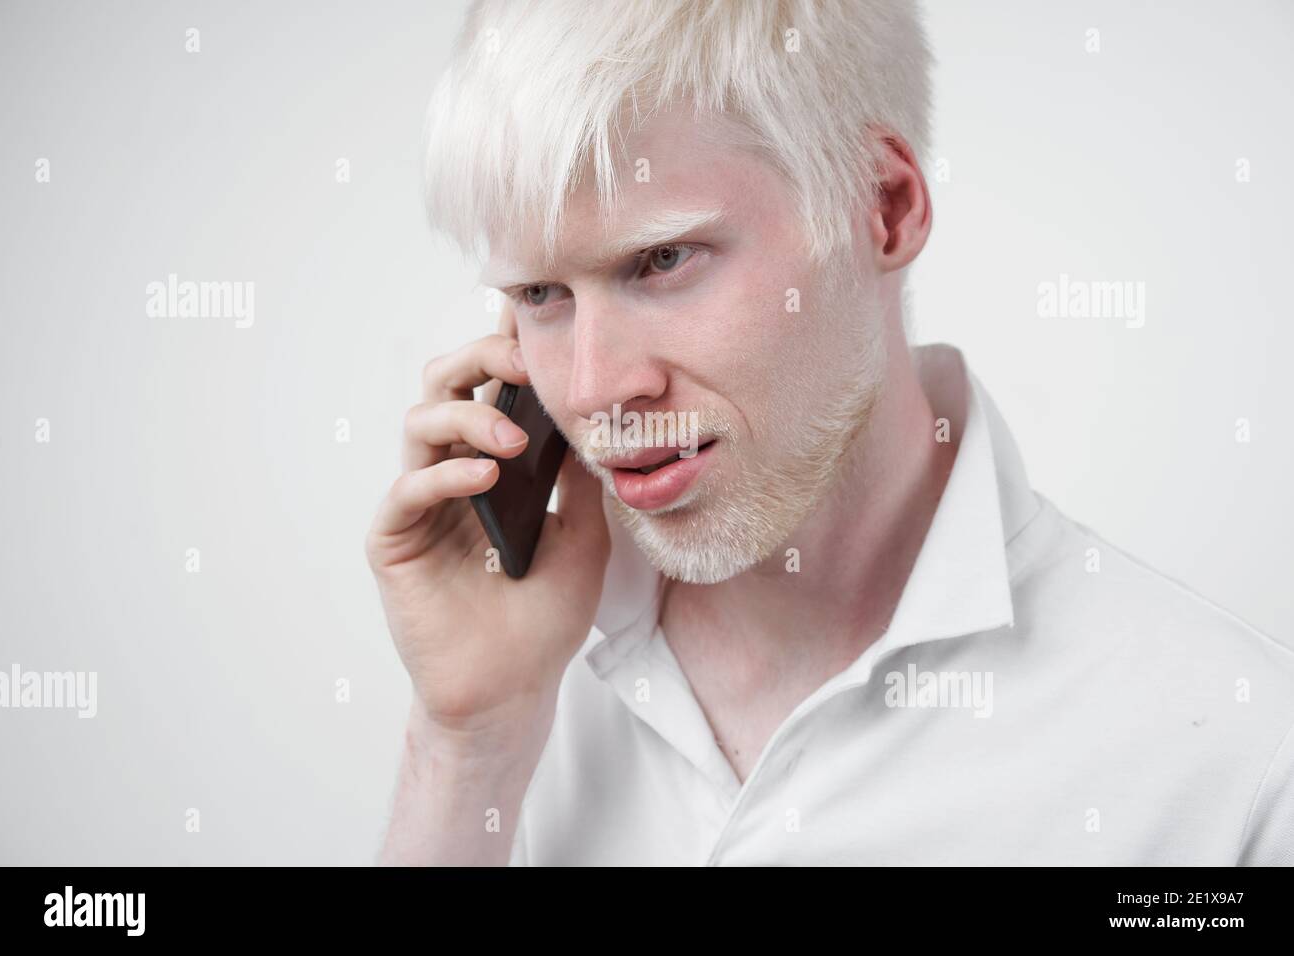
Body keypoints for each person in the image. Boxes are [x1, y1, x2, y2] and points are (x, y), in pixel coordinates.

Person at [367, 0, 1294, 865]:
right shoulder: (513, 676)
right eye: (540, 294)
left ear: (882, 207)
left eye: (662, 260)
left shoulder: (1233, 760)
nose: (595, 387)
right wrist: (466, 746)